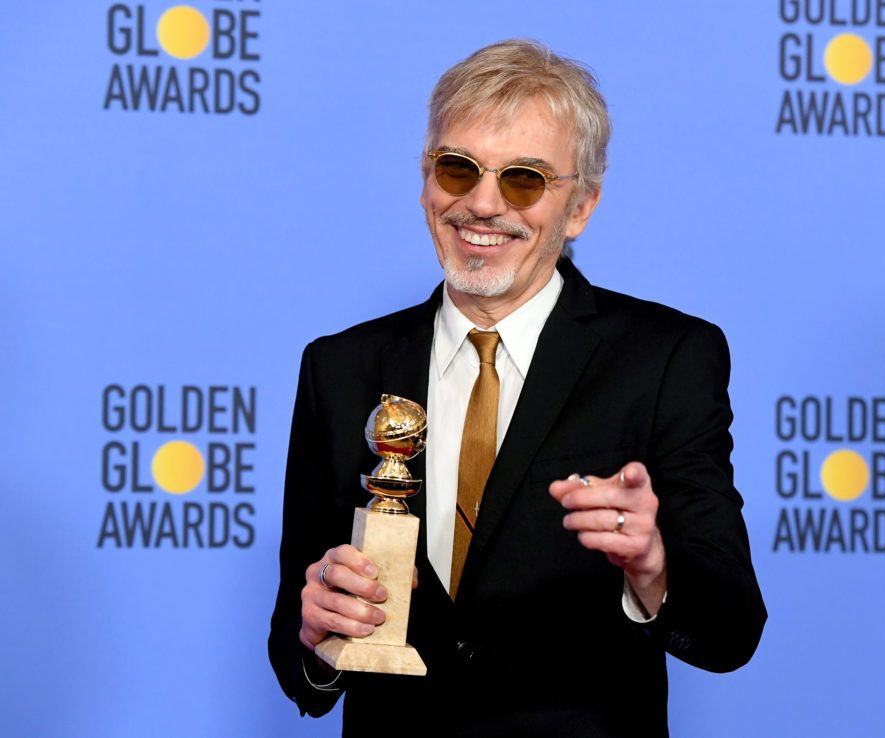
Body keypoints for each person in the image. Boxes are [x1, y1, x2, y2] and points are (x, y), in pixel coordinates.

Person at [269, 39, 766, 737]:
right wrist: (318, 636)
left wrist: (653, 569)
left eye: (525, 179)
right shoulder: (341, 366)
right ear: (424, 180)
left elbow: (731, 631)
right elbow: (301, 666)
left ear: (582, 206)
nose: (482, 204)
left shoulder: (665, 359)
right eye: (457, 169)